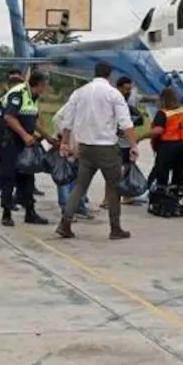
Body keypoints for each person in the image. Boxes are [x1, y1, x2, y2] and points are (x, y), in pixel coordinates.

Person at [56, 61, 139, 240]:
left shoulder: (79, 93)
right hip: (107, 147)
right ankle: (115, 228)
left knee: (80, 186)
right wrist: (133, 145)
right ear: (109, 75)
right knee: (115, 187)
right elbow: (125, 123)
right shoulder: (113, 94)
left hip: (85, 147)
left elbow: (67, 120)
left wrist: (64, 142)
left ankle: (65, 222)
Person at [0, 71, 53, 227]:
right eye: (45, 85)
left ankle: (30, 212)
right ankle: (6, 214)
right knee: (9, 176)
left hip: (25, 142)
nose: (46, 89)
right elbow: (9, 117)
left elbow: (31, 120)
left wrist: (47, 137)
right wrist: (25, 135)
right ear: (39, 84)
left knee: (28, 174)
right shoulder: (18, 93)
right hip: (11, 142)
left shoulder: (33, 97)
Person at [103, 76, 145, 207]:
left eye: (130, 89)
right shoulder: (112, 100)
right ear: (119, 87)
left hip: (127, 141)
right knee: (113, 171)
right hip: (115, 141)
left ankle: (127, 195)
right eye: (126, 89)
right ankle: (107, 199)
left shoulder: (128, 101)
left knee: (127, 168)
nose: (128, 92)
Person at [144, 87, 183, 189]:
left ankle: (161, 196)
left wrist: (142, 136)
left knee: (162, 172)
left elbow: (158, 130)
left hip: (168, 145)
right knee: (179, 173)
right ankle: (177, 194)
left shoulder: (163, 113)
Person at [51, 101, 92, 220]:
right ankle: (66, 208)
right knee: (65, 179)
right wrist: (65, 139)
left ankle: (79, 206)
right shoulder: (73, 105)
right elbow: (57, 119)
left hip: (81, 149)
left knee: (80, 179)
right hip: (69, 147)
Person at [0, 68, 25, 200]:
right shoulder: (3, 100)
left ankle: (19, 194)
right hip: (6, 138)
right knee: (5, 167)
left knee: (19, 167)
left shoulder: (23, 98)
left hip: (17, 139)